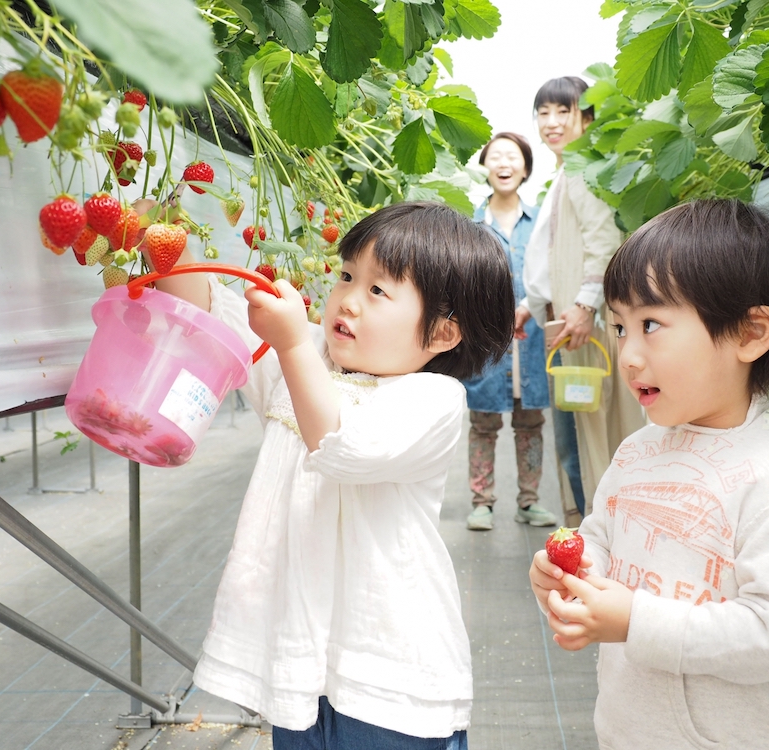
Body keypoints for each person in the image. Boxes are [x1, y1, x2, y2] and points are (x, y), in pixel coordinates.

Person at [149, 202, 515, 748]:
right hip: (301, 670)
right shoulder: (308, 364)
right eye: (347, 275)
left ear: (442, 333)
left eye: (378, 290)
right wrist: (159, 222)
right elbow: (209, 317)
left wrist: (293, 343)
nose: (346, 298)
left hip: (390, 679)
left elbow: (341, 446)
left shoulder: (433, 400)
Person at [528, 199, 769, 749]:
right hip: (628, 732)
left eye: (651, 325)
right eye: (620, 327)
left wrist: (635, 622)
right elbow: (602, 537)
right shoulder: (636, 453)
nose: (627, 354)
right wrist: (574, 573)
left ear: (750, 333)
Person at [517, 76, 645, 527]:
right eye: (543, 113)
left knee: (587, 431)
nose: (550, 122)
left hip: (580, 328)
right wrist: (531, 307)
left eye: (563, 111)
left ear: (587, 117)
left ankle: (597, 533)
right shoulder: (569, 171)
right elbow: (554, 256)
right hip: (568, 325)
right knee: (577, 428)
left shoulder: (584, 168)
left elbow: (603, 242)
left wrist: (585, 305)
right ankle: (591, 528)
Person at [463, 132, 557, 531]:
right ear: (484, 166)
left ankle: (529, 502)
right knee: (483, 423)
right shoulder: (470, 224)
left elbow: (553, 274)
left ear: (525, 168)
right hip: (487, 342)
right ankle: (481, 502)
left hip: (531, 340)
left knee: (530, 424)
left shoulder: (542, 222)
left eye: (512, 157)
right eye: (496, 156)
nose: (504, 164)